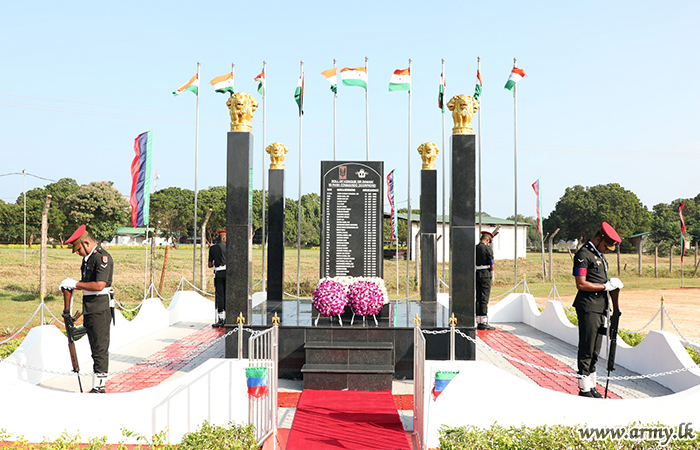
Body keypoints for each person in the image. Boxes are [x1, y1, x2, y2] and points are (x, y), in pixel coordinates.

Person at [60, 225, 114, 393]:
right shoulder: (88, 259)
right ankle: (96, 386)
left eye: (78, 249)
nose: (77, 253)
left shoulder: (102, 257)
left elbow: (99, 285)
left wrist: (75, 284)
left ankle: (99, 388)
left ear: (85, 242)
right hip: (90, 308)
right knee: (94, 349)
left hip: (100, 308)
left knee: (100, 350)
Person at [572, 221, 623, 398]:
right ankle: (584, 388)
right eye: (606, 245)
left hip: (600, 308)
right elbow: (581, 283)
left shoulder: (600, 256)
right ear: (598, 238)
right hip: (588, 307)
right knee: (587, 347)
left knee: (595, 349)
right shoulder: (583, 254)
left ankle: (591, 385)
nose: (608, 249)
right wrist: (604, 287)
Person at [475, 230, 496, 331]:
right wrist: (491, 269)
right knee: (484, 298)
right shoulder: (488, 249)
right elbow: (492, 264)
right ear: (487, 239)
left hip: (477, 273)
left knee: (478, 297)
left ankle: (478, 320)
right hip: (485, 274)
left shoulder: (475, 248)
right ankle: (483, 322)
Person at [208, 229, 227, 327]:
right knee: (227, 294)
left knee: (220, 296)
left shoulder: (213, 248)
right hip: (228, 273)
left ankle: (221, 319)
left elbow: (210, 265)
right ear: (224, 237)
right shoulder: (229, 247)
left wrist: (216, 262)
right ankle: (228, 317)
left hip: (218, 273)